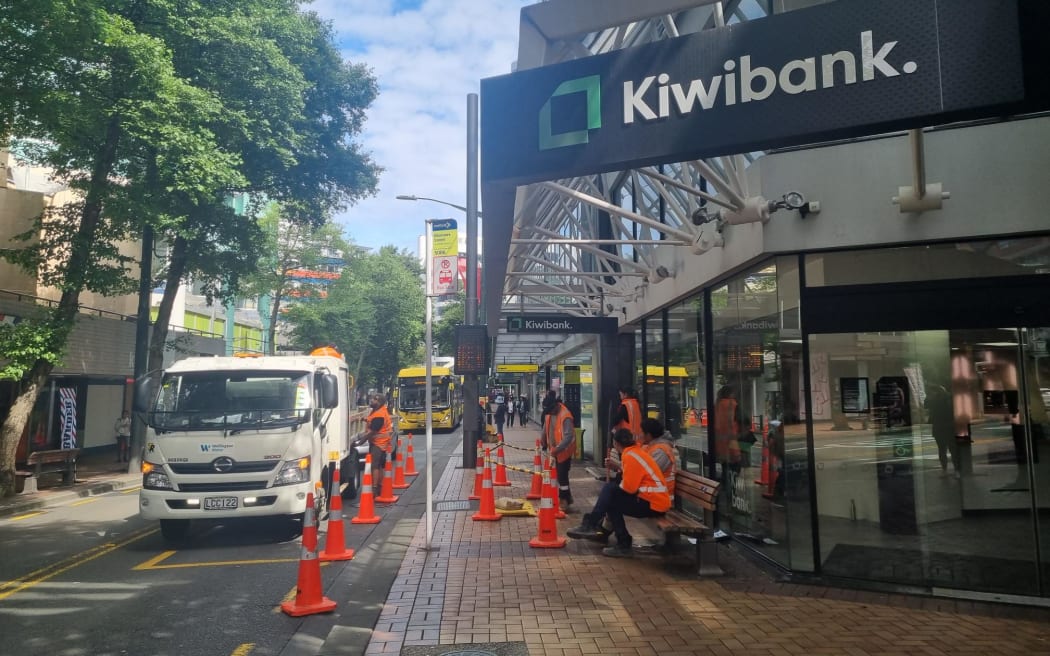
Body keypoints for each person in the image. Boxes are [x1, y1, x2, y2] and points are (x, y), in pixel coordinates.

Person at [566, 428, 671, 557]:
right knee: (611, 497)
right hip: (653, 502)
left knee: (610, 492)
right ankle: (618, 540)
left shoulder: (630, 456)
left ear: (616, 444)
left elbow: (629, 488)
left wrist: (613, 490)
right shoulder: (635, 452)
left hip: (653, 504)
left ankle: (594, 525)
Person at [540, 390, 576, 507]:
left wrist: (557, 449)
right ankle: (567, 497)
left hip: (565, 450)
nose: (550, 413)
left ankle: (564, 499)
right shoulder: (550, 413)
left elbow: (569, 437)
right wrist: (544, 440)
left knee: (562, 475)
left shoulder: (565, 416)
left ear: (555, 405)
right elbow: (546, 428)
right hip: (554, 450)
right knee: (560, 475)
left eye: (551, 410)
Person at [362, 393, 393, 492]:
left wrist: (360, 441)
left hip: (379, 443)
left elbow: (374, 430)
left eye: (374, 400)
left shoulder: (379, 414)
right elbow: (373, 420)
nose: (371, 401)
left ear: (379, 402)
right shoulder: (378, 411)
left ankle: (375, 488)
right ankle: (379, 486)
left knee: (375, 466)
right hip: (380, 443)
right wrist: (365, 419)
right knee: (379, 465)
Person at [925, 382, 956, 476]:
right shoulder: (948, 397)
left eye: (930, 392)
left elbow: (926, 405)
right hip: (946, 427)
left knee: (944, 449)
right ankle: (954, 470)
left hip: (942, 427)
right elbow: (926, 405)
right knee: (950, 449)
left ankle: (946, 470)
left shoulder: (941, 399)